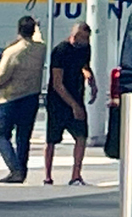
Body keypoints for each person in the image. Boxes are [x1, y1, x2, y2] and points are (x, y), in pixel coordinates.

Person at [0, 15, 45, 184]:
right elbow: (38, 38)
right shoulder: (40, 49)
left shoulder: (12, 52)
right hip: (31, 97)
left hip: (10, 99)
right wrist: (37, 27)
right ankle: (22, 170)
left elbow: (0, 78)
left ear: (18, 31)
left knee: (1, 134)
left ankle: (15, 169)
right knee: (23, 137)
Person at [41, 21, 97, 186]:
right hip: (58, 100)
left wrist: (89, 77)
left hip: (76, 94)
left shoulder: (85, 49)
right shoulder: (61, 51)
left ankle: (76, 175)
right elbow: (57, 83)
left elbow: (84, 65)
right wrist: (74, 106)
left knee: (81, 136)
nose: (85, 41)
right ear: (75, 36)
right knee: (51, 139)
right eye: (83, 38)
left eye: (87, 38)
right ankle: (47, 176)